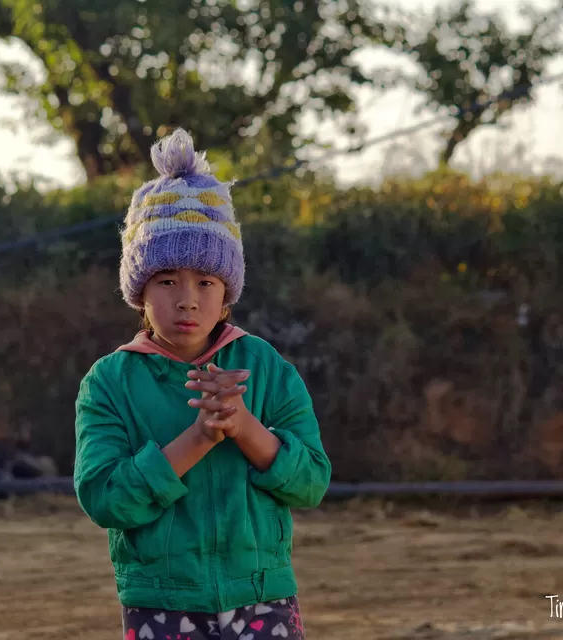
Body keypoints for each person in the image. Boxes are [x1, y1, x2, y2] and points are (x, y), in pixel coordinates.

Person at [73, 128, 331, 640]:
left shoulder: (265, 366)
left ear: (227, 293)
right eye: (167, 280)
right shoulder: (109, 382)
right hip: (160, 604)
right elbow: (103, 498)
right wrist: (200, 437)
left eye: (206, 282)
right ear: (139, 292)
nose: (187, 299)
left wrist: (242, 425)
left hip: (263, 596)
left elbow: (312, 483)